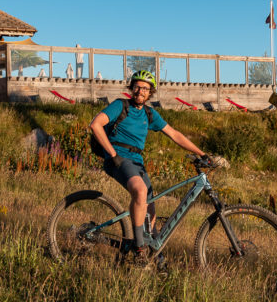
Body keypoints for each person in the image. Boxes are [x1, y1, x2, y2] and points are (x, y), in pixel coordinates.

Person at [89, 70, 208, 261]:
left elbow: (174, 134)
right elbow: (95, 124)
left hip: (137, 163)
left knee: (150, 213)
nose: (140, 91)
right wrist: (112, 155)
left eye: (145, 88)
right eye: (137, 86)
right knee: (140, 191)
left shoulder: (149, 114)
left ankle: (155, 259)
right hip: (118, 158)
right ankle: (139, 248)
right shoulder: (120, 105)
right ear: (131, 88)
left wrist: (201, 154)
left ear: (150, 92)